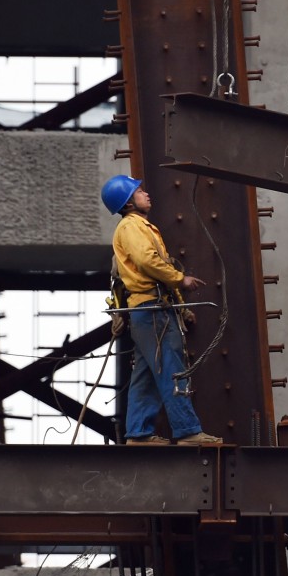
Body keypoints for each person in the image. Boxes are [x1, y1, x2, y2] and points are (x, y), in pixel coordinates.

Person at [101, 174, 223, 446]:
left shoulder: (139, 226)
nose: (146, 194)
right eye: (139, 192)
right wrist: (180, 279)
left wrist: (179, 306)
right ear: (128, 203)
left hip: (149, 309)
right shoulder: (132, 227)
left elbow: (152, 265)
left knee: (145, 374)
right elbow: (147, 261)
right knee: (172, 368)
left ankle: (138, 433)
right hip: (152, 309)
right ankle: (188, 431)